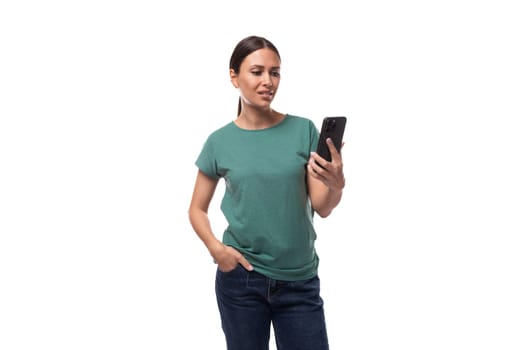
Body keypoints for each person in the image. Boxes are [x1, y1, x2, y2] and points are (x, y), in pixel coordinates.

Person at [188, 35, 346, 350]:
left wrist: (337, 182)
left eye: (274, 72)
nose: (268, 81)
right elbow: (196, 209)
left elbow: (322, 207)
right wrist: (216, 249)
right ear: (234, 76)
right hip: (241, 280)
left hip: (299, 280)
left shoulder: (304, 130)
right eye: (257, 71)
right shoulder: (220, 142)